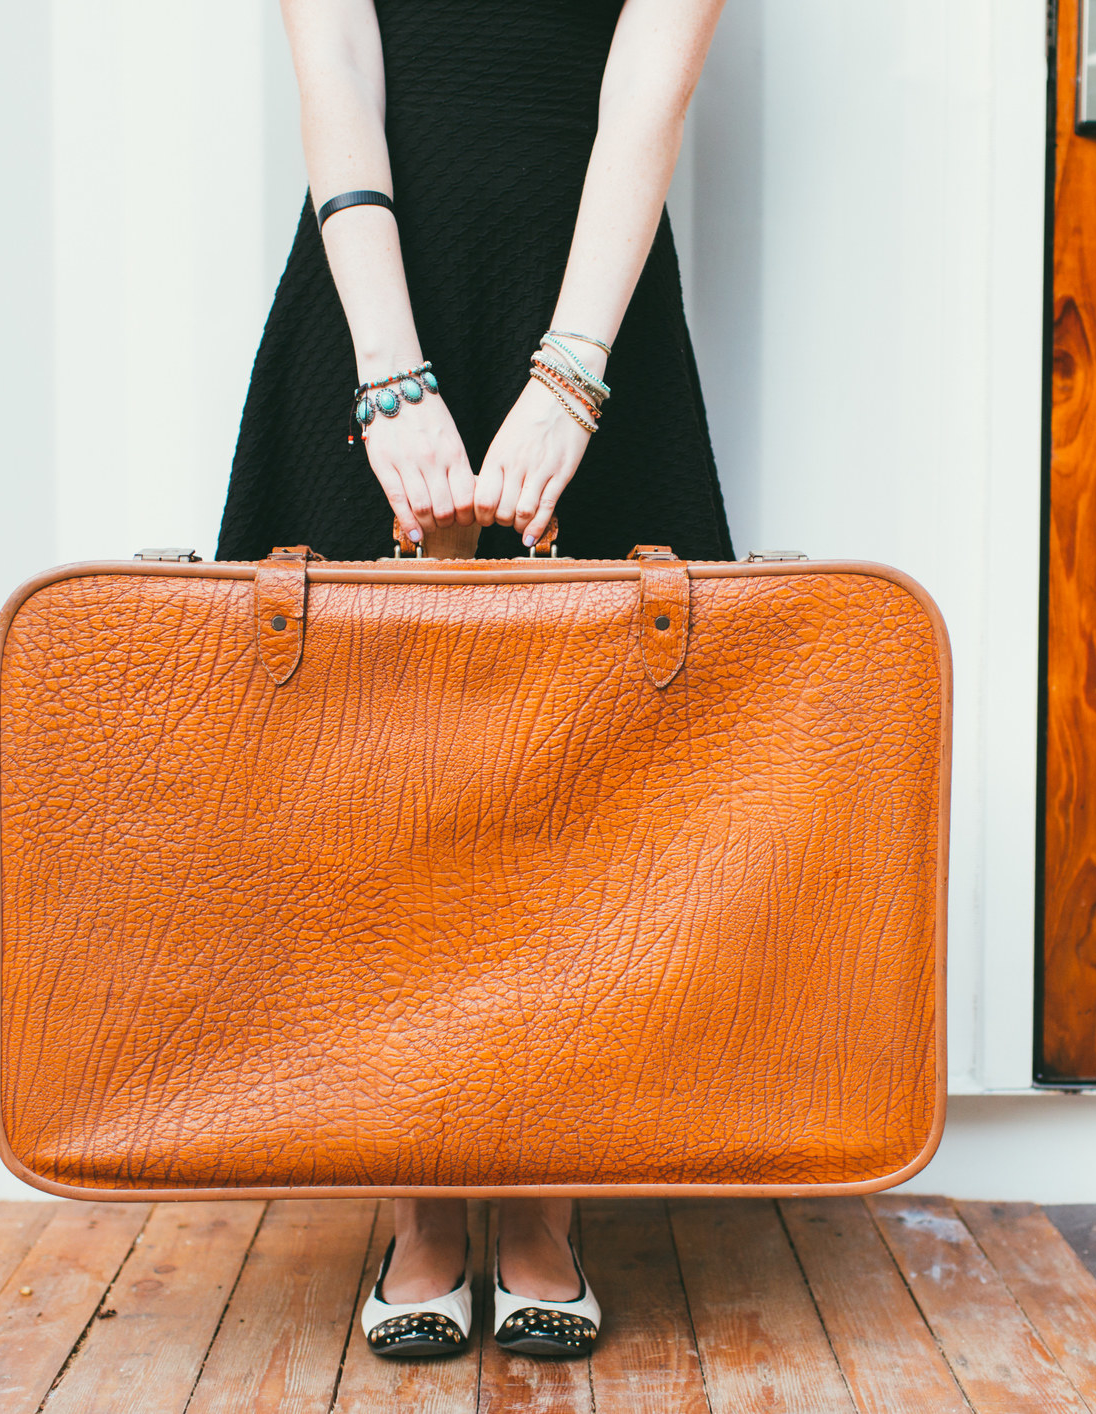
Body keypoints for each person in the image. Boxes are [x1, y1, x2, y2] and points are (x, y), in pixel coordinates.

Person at [215, 0, 731, 1361]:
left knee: (585, 780)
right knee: (374, 780)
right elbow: (337, 80)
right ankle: (422, 1210)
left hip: (586, 304)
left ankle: (542, 1209)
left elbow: (643, 102)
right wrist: (388, 377)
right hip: (381, 294)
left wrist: (568, 379)